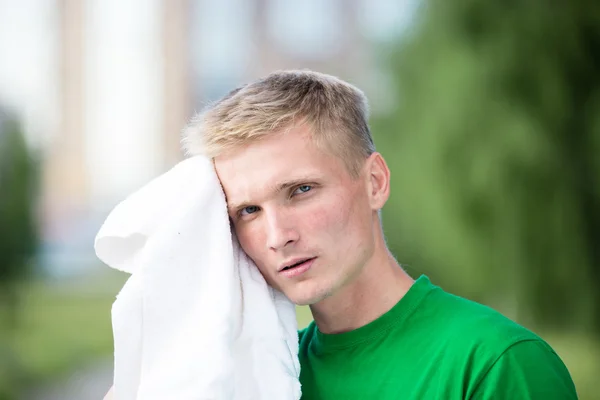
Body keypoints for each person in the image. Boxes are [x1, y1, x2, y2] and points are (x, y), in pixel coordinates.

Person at [105, 70, 578, 399]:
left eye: (301, 190)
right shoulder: (254, 378)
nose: (277, 235)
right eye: (248, 210)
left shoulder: (495, 364)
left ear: (374, 182)